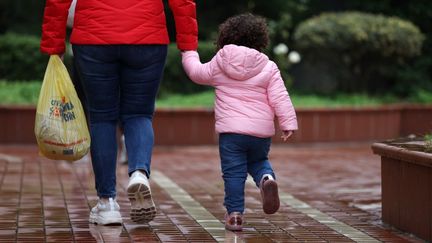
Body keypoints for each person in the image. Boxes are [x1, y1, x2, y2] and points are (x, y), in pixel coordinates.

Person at [40, 0, 198, 225]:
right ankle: (139, 174)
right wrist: (188, 45)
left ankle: (107, 203)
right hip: (147, 37)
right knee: (140, 114)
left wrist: (53, 46)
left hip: (93, 37)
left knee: (102, 117)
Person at [181, 13, 298, 231]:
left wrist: (189, 53)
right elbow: (280, 96)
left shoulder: (221, 61)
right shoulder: (268, 66)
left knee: (234, 173)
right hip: (260, 133)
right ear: (260, 39)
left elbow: (197, 73)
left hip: (232, 133)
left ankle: (235, 215)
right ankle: (266, 179)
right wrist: (287, 123)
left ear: (226, 36)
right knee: (258, 161)